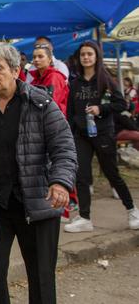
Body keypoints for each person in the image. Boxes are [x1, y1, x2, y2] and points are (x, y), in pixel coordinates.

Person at [0, 44, 77, 304]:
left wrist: (60, 182)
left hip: (37, 204)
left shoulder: (40, 103)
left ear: (15, 71)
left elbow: (64, 147)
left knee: (41, 277)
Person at [65, 41, 139, 232]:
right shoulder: (74, 83)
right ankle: (84, 217)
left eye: (89, 54)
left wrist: (101, 109)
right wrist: (72, 132)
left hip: (103, 134)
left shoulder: (106, 80)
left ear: (96, 56)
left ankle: (132, 210)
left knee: (112, 173)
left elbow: (121, 104)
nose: (86, 57)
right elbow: (70, 112)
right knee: (81, 176)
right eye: (83, 55)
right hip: (81, 135)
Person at [29, 44, 69, 115]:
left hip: (54, 120)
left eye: (40, 56)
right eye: (34, 57)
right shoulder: (35, 79)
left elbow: (51, 103)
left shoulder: (54, 77)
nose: (36, 59)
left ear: (49, 59)